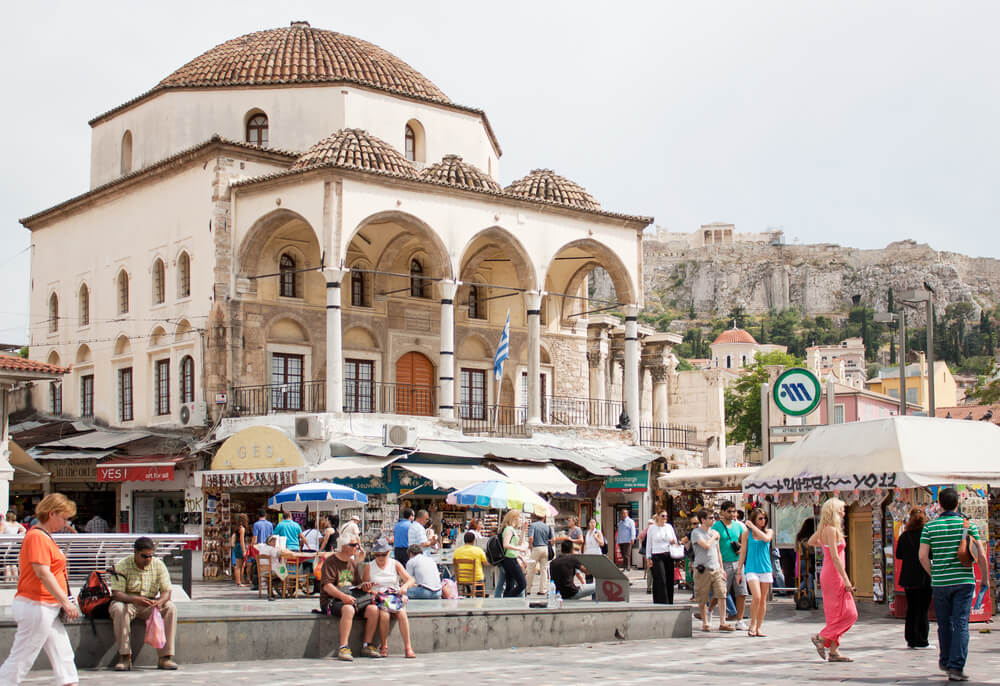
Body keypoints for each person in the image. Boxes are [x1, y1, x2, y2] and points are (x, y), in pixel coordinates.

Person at [0, 493, 80, 685]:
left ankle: (69, 682)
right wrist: (66, 602)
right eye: (64, 518)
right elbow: (43, 573)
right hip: (37, 604)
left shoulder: (41, 536)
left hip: (42, 604)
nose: (65, 523)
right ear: (52, 513)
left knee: (62, 653)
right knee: (22, 658)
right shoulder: (37, 536)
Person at [918, 487, 990, 682]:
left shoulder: (929, 527)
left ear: (939, 504)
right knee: (961, 624)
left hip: (940, 583)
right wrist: (985, 578)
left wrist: (934, 574)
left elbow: (922, 556)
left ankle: (945, 660)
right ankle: (956, 667)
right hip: (964, 581)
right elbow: (981, 554)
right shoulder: (967, 525)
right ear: (957, 503)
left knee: (944, 624)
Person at [108, 536, 179, 671]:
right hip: (128, 602)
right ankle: (125, 656)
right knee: (118, 609)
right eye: (144, 556)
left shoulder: (158, 565)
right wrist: (135, 599)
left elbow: (166, 592)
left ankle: (165, 657)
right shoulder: (122, 565)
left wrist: (160, 602)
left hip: (150, 603)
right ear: (135, 552)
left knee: (170, 607)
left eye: (150, 556)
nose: (148, 559)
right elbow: (117, 593)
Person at [807, 498, 857, 663]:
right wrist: (846, 579)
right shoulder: (830, 530)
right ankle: (821, 637)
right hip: (834, 574)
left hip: (832, 573)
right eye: (841, 508)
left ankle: (834, 650)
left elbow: (811, 541)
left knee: (837, 613)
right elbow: (835, 557)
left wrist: (824, 544)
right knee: (850, 613)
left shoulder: (827, 529)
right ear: (834, 510)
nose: (844, 511)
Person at [319, 533, 381, 661]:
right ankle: (343, 647)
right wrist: (342, 596)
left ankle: (367, 644)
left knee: (373, 609)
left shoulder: (352, 562)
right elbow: (327, 586)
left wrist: (365, 587)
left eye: (357, 545)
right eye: (354, 545)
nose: (357, 547)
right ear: (344, 546)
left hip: (350, 598)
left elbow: (357, 585)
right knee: (348, 609)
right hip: (332, 600)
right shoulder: (331, 562)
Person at [362, 538, 417, 658]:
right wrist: (369, 588)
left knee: (402, 613)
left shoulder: (394, 564)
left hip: (394, 595)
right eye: (378, 555)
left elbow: (411, 579)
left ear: (388, 553)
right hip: (379, 597)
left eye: (383, 554)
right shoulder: (369, 567)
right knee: (384, 615)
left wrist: (404, 587)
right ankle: (384, 645)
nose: (380, 557)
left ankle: (408, 647)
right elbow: (364, 586)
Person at [691, 509, 733, 632]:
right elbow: (706, 545)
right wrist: (714, 537)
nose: (713, 520)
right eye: (710, 518)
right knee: (702, 597)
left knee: (722, 594)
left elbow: (718, 551)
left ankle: (723, 622)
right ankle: (705, 622)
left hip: (716, 568)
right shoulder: (696, 533)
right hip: (703, 569)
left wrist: (722, 568)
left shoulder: (714, 532)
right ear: (703, 520)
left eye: (713, 517)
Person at [896, 507, 932, 649]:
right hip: (924, 576)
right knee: (923, 609)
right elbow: (931, 555)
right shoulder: (926, 535)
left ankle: (911, 639)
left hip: (908, 577)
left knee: (911, 608)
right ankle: (922, 640)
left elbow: (899, 555)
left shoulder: (904, 536)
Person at [710, 500, 749, 630]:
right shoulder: (716, 527)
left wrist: (741, 548)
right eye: (729, 512)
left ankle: (740, 620)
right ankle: (709, 610)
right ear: (722, 512)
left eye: (734, 511)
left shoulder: (739, 526)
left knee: (741, 592)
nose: (732, 514)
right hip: (723, 563)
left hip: (738, 563)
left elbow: (743, 541)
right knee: (721, 592)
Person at [737, 507, 774, 637]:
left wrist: (753, 527)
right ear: (754, 519)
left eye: (764, 518)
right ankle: (752, 624)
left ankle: (759, 627)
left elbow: (766, 539)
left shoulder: (769, 531)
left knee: (763, 599)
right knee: (756, 597)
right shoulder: (747, 534)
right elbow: (743, 552)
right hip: (751, 568)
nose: (763, 521)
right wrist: (739, 570)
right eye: (760, 518)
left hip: (765, 568)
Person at [645, 510, 679, 605]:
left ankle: (669, 601)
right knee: (660, 578)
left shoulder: (669, 527)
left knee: (669, 578)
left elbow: (675, 540)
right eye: (663, 516)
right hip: (657, 555)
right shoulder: (652, 528)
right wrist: (648, 558)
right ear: (658, 516)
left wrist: (673, 542)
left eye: (666, 516)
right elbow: (649, 544)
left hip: (668, 554)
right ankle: (660, 601)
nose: (665, 518)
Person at [499, 510, 528, 597]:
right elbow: (506, 544)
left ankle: (506, 600)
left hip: (511, 558)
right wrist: (520, 549)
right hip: (509, 559)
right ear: (514, 518)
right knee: (522, 584)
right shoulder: (509, 529)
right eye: (519, 517)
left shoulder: (512, 529)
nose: (521, 519)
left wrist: (523, 530)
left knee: (510, 585)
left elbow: (519, 543)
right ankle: (509, 598)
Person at [525, 515, 555, 596]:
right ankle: (542, 589)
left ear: (536, 517)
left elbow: (531, 538)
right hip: (545, 548)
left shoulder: (533, 525)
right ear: (544, 518)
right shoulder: (547, 526)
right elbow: (553, 540)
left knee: (531, 569)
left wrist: (530, 546)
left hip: (536, 548)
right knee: (544, 570)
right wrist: (550, 545)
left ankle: (527, 589)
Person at [795, 518, 817, 610]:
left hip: (800, 560)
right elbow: (811, 551)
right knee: (809, 577)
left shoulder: (799, 536)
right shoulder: (810, 537)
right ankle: (809, 596)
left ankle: (799, 591)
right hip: (807, 560)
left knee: (805, 577)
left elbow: (796, 549)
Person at [231, 513, 250, 587]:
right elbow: (242, 540)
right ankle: (239, 582)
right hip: (240, 547)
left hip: (237, 546)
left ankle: (240, 581)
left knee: (240, 565)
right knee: (239, 565)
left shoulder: (238, 528)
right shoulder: (242, 529)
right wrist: (244, 550)